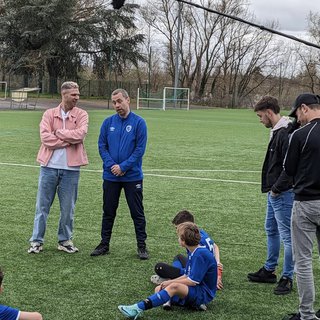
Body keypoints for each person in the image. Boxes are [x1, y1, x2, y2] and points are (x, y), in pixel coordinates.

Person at [28, 81, 89, 254]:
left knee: (68, 208)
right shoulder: (49, 114)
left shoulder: (82, 114)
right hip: (48, 168)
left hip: (71, 170)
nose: (77, 97)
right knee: (42, 206)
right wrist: (68, 139)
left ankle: (65, 240)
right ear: (64, 94)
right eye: (74, 95)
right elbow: (45, 138)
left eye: (78, 94)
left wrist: (59, 133)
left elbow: (80, 134)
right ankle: (36, 241)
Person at [90, 88, 148, 260]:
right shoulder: (108, 123)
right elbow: (102, 146)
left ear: (128, 100)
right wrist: (112, 165)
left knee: (137, 212)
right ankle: (104, 244)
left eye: (119, 101)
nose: (117, 105)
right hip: (110, 176)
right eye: (114, 102)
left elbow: (139, 150)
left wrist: (123, 166)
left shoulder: (139, 123)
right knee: (108, 211)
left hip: (132, 176)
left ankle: (142, 246)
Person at [118, 222, 217, 319]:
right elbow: (187, 275)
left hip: (204, 292)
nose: (177, 239)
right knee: (159, 289)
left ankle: (137, 308)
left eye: (179, 237)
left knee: (174, 286)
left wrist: (170, 282)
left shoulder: (200, 254)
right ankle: (193, 304)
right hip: (197, 289)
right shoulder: (193, 251)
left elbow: (192, 281)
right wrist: (167, 283)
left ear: (183, 241)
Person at [247, 96, 294, 295]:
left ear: (268, 112)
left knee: (288, 236)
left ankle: (287, 277)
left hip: (282, 192)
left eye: (260, 116)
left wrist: (276, 189)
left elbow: (289, 167)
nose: (260, 120)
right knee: (271, 230)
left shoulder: (285, 133)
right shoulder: (277, 131)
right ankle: (269, 269)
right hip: (274, 191)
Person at [282, 93, 320, 320]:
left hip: (306, 203)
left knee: (303, 261)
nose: (297, 117)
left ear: (304, 108)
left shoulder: (300, 135)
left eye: (297, 112)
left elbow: (289, 169)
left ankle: (306, 314)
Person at [150, 209, 223, 295]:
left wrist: (217, 276)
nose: (177, 231)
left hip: (199, 273)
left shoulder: (198, 247)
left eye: (177, 228)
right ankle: (176, 279)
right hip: (198, 268)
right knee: (178, 257)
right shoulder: (200, 233)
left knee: (159, 267)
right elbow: (215, 246)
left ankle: (171, 280)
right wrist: (218, 262)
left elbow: (195, 276)